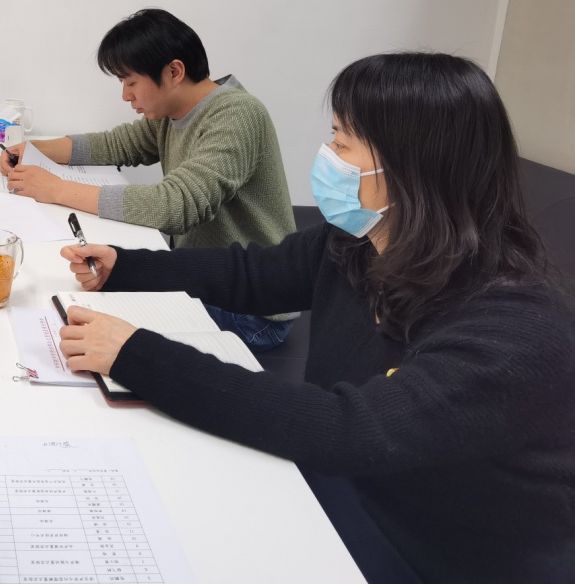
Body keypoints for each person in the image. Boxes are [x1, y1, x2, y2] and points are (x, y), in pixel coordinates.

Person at [57, 52, 575, 583]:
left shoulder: (516, 331)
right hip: (354, 493)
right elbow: (253, 273)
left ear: (411, 166)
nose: (327, 157)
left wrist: (137, 355)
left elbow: (349, 430)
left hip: (436, 555)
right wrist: (125, 267)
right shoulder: (361, 241)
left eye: (343, 144)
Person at [2, 8, 296, 349]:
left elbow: (176, 205)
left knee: (90, 320)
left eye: (131, 82)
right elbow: (117, 144)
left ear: (174, 72)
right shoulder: (175, 112)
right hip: (207, 276)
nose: (126, 95)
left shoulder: (238, 115)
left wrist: (55, 189)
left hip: (252, 309)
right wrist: (34, 150)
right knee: (82, 301)